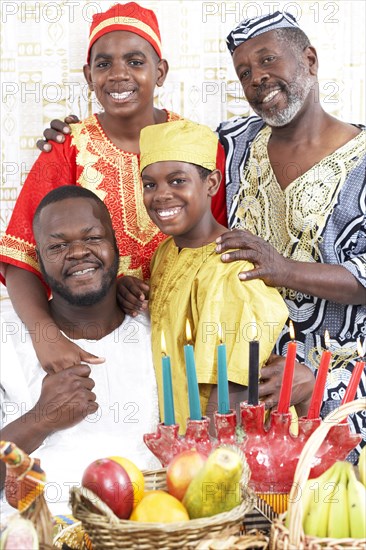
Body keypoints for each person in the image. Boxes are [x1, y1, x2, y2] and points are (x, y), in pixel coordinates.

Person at [0, 3, 226, 375]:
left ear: (161, 71)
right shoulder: (67, 146)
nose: (119, 75)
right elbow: (21, 256)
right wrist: (46, 336)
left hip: (189, 332)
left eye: (135, 62)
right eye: (104, 64)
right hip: (90, 333)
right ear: (89, 76)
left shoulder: (197, 146)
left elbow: (216, 247)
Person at [214, 11, 366, 460]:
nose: (258, 78)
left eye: (268, 61)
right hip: (252, 388)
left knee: (330, 516)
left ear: (310, 60)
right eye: (245, 73)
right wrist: (73, 135)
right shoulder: (231, 146)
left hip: (344, 383)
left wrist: (285, 270)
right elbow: (164, 157)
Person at [0, 185, 160, 516]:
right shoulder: (7, 335)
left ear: (116, 246)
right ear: (39, 261)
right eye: (58, 245)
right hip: (38, 534)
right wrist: (41, 418)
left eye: (92, 238)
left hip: (149, 530)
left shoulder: (161, 327)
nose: (77, 252)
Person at [123, 118, 292, 431]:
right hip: (177, 443)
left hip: (215, 452)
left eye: (177, 181)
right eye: (150, 184)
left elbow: (235, 392)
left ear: (211, 184)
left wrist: (209, 469)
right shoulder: (165, 252)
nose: (160, 195)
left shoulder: (232, 266)